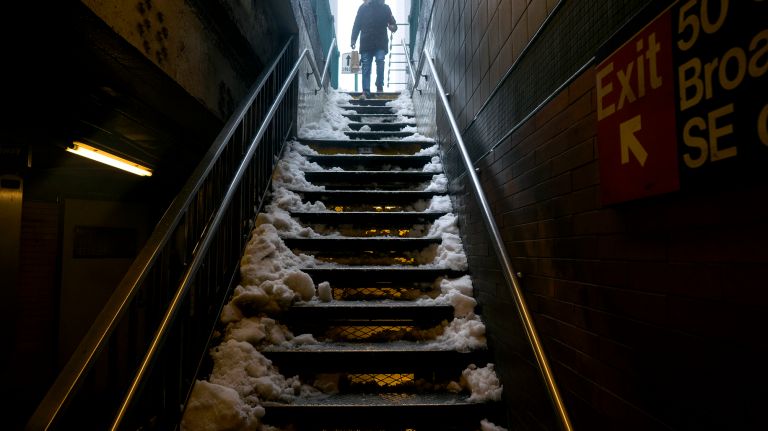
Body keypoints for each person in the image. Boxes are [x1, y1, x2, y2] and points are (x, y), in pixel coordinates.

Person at [351, 0, 397, 99]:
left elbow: (393, 24)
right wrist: (353, 39)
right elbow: (357, 24)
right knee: (366, 67)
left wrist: (392, 27)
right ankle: (365, 91)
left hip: (380, 42)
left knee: (380, 61)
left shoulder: (385, 8)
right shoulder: (363, 8)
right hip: (366, 42)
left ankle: (379, 86)